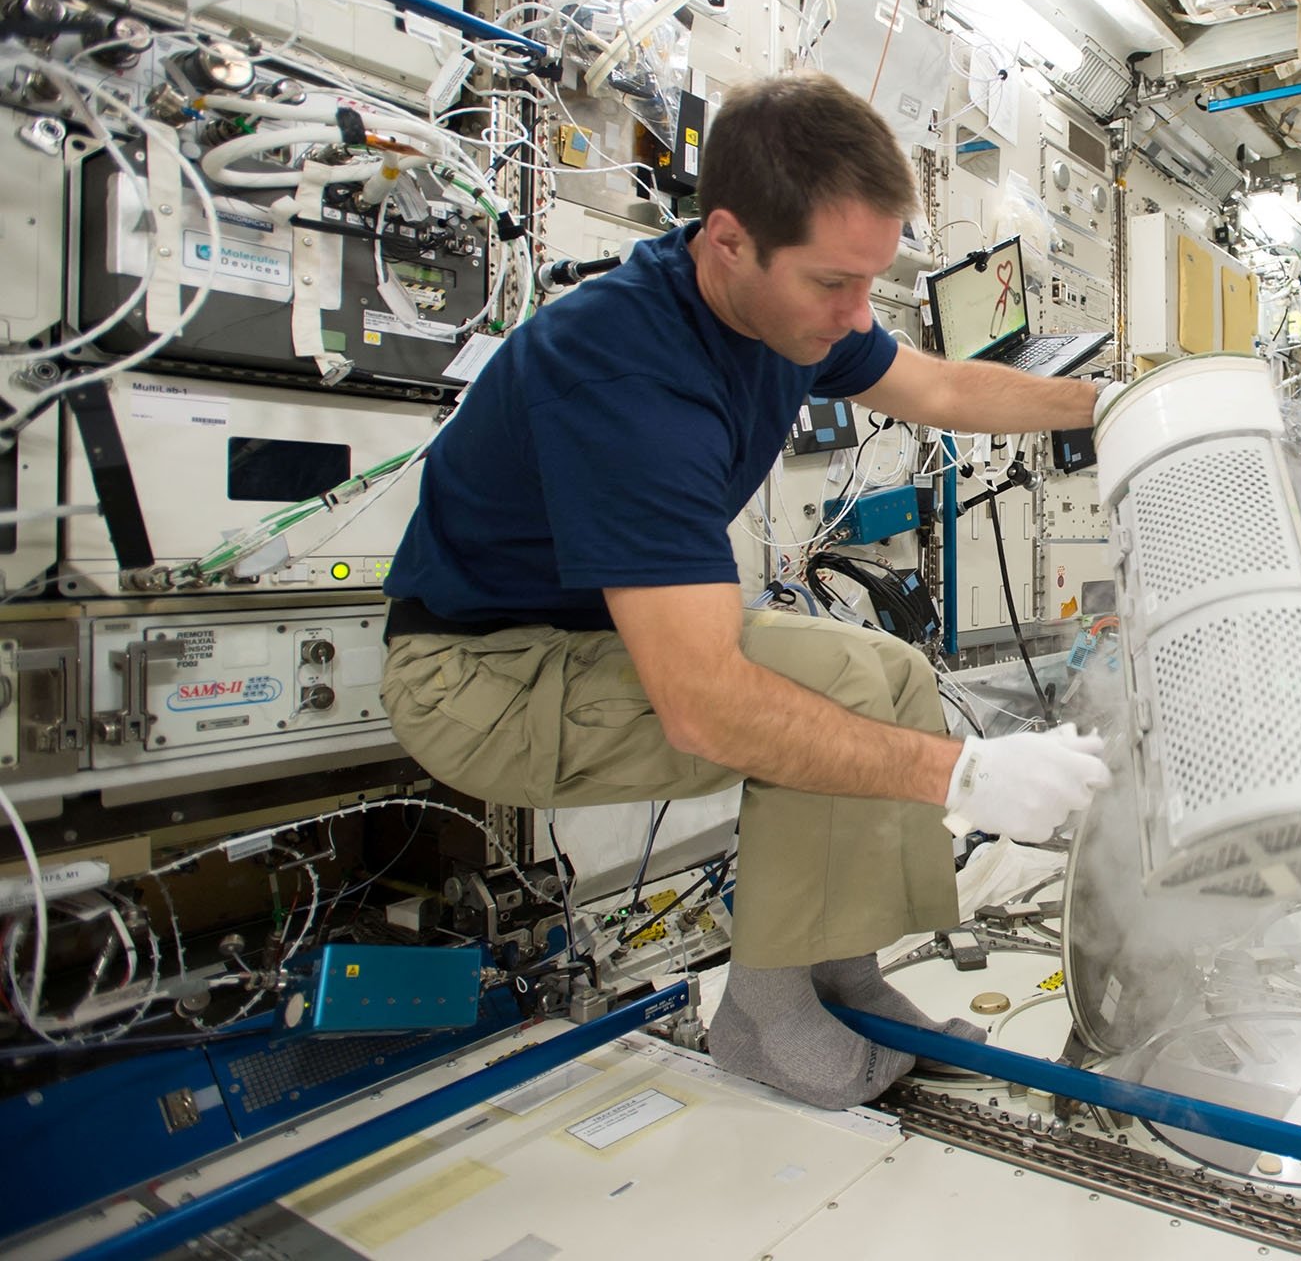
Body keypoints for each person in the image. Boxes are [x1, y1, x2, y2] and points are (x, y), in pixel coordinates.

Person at [379, 71, 1115, 1108]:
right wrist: (963, 778)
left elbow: (943, 386)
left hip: (575, 651)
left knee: (888, 667)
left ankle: (844, 977)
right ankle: (764, 1019)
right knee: (836, 686)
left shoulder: (782, 313)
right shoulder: (623, 371)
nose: (857, 315)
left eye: (870, 281)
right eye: (833, 284)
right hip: (481, 680)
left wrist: (1116, 407)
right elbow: (703, 704)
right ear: (727, 240)